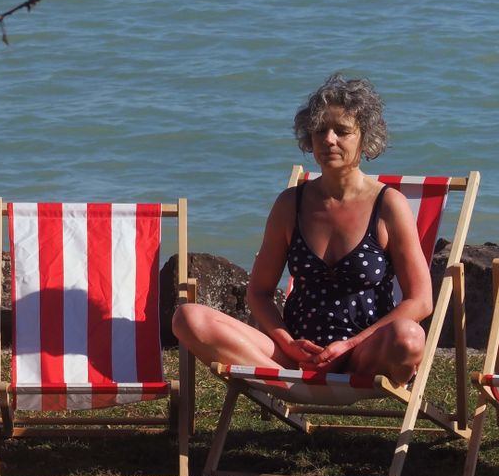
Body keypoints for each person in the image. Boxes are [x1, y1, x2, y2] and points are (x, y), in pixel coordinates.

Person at [172, 73, 431, 387]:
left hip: (362, 357)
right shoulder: (290, 204)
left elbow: (420, 300)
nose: (329, 139)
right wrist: (287, 342)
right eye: (320, 130)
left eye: (342, 131)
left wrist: (350, 345)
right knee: (188, 318)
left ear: (365, 138)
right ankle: (289, 384)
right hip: (295, 356)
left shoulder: (388, 205)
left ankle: (310, 383)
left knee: (410, 337)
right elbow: (259, 292)